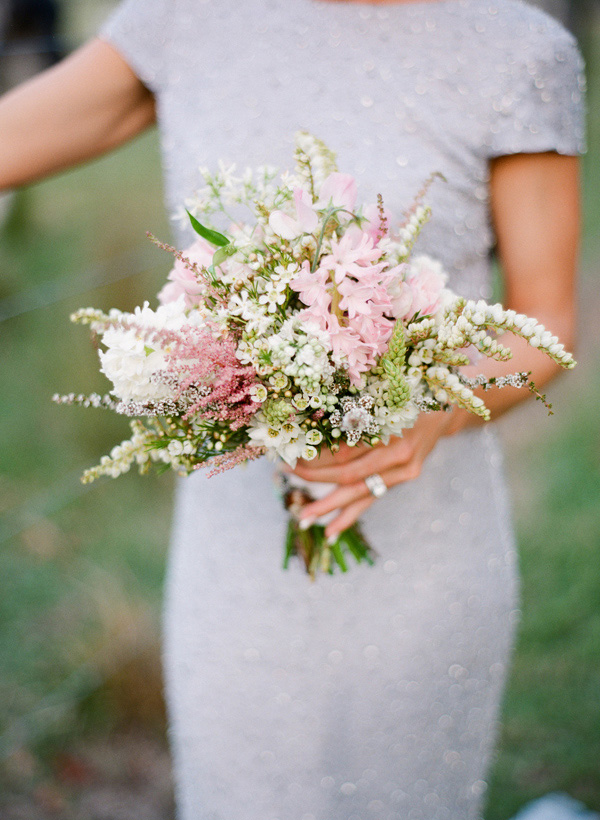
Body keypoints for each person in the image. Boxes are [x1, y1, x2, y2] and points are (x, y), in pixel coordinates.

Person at [0, 0, 584, 817]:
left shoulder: (520, 49)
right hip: (233, 550)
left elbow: (546, 322)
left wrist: (436, 416)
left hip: (430, 548)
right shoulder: (188, 20)